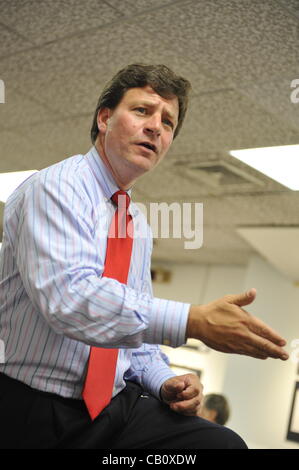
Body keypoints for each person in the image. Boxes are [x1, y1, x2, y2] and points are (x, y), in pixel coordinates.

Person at [0, 64, 288, 449]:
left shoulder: (134, 222)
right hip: (31, 405)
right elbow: (71, 299)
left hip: (113, 408)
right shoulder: (56, 188)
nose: (156, 127)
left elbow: (134, 332)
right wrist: (193, 321)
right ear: (104, 118)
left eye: (168, 122)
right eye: (142, 111)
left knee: (220, 446)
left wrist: (163, 379)